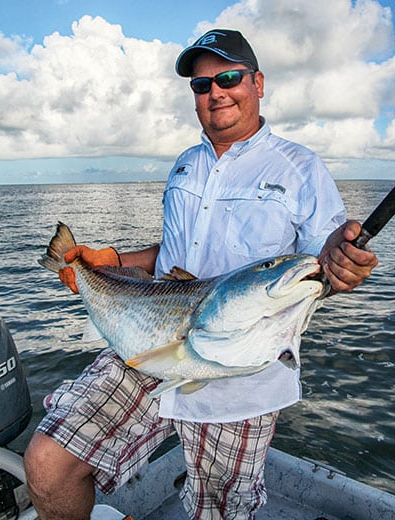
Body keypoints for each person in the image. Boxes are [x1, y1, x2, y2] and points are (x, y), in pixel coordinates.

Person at [24, 29, 378, 520]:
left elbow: (321, 262)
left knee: (217, 511)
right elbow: (171, 254)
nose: (215, 92)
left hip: (240, 373)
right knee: (47, 465)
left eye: (228, 77)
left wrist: (341, 264)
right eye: (201, 85)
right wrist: (112, 262)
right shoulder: (185, 165)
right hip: (149, 342)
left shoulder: (301, 167)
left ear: (257, 82)